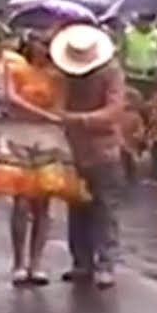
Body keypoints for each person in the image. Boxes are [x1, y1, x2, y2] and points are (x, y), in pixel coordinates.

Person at [0, 25, 87, 287]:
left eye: (47, 43)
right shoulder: (12, 66)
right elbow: (10, 98)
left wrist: (49, 116)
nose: (43, 47)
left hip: (47, 138)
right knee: (21, 202)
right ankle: (18, 263)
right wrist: (45, 115)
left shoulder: (58, 75)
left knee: (43, 204)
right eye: (38, 41)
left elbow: (60, 105)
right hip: (18, 136)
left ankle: (36, 263)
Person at [54, 24, 127, 289]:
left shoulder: (111, 70)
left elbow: (115, 109)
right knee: (77, 206)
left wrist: (77, 119)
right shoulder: (63, 73)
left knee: (106, 207)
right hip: (72, 147)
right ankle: (81, 261)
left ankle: (105, 263)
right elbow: (56, 104)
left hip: (103, 147)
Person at [120, 13, 157, 95]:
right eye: (143, 20)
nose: (146, 23)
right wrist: (124, 70)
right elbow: (122, 53)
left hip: (151, 75)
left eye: (150, 20)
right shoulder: (128, 33)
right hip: (132, 75)